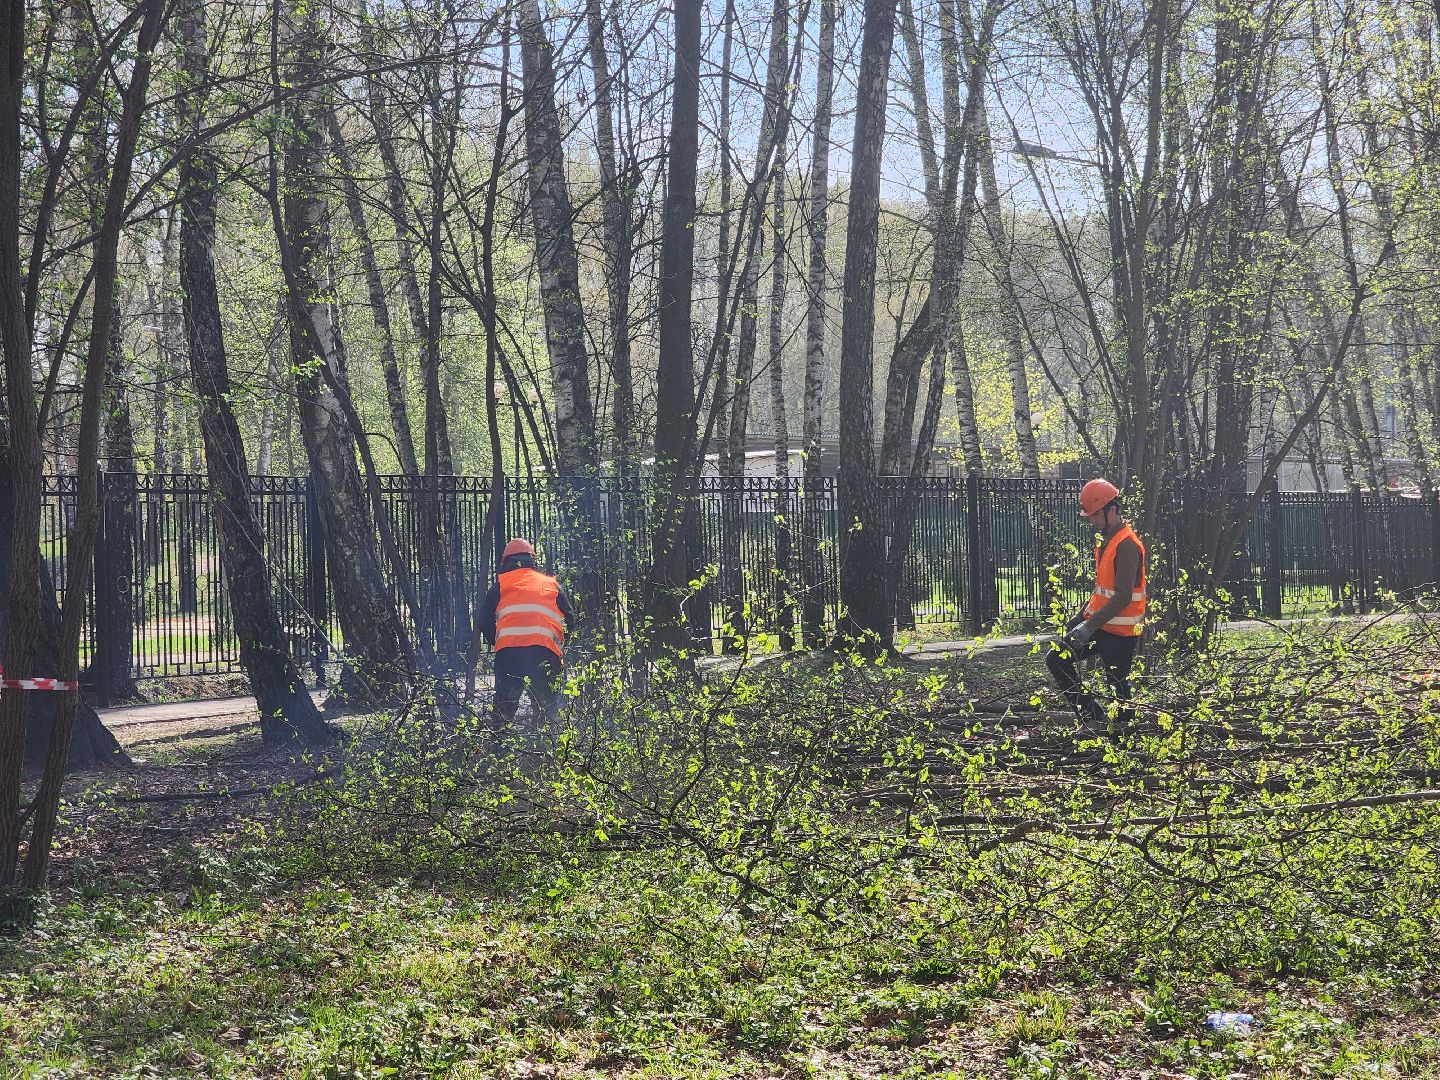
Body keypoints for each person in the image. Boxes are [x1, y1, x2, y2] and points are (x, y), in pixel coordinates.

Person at [1045, 478, 1146, 727]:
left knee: (1119, 690)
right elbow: (1102, 592)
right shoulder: (1108, 541)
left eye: (1094, 515)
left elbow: (1122, 596)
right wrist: (1080, 618)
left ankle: (1124, 740)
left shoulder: (1127, 545)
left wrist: (1088, 627)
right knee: (1056, 659)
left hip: (1120, 633)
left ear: (1112, 511)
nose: (1091, 520)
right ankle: (1094, 718)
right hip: (1102, 627)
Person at [476, 538, 573, 731]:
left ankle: (499, 752)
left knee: (503, 712)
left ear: (506, 562)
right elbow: (570, 619)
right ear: (532, 560)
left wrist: (498, 641)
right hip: (544, 654)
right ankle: (546, 753)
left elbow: (483, 620)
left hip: (510, 656)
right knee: (546, 712)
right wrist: (558, 646)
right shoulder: (551, 585)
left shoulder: (501, 585)